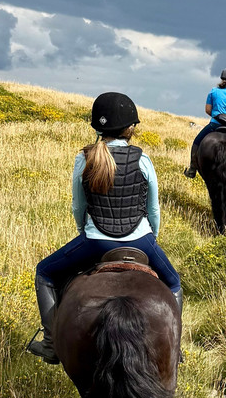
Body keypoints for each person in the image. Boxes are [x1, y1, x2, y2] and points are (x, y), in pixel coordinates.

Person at [26, 91, 182, 364]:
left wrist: (84, 231)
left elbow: (78, 205)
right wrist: (150, 237)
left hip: (96, 241)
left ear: (98, 128)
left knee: (45, 273)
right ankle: (175, 348)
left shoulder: (85, 159)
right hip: (142, 241)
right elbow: (153, 208)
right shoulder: (143, 160)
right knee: (174, 283)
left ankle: (51, 343)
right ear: (130, 127)